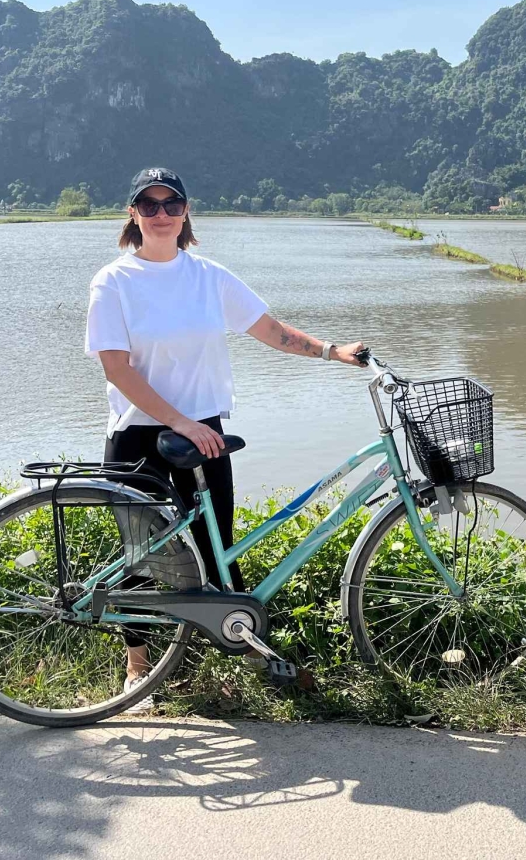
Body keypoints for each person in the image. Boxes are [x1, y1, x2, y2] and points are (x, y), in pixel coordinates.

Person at [85, 166, 365, 710]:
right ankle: (138, 668)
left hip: (202, 435)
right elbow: (117, 370)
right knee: (144, 557)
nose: (161, 214)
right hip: (139, 435)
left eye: (171, 204)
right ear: (133, 214)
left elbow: (271, 331)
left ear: (186, 213)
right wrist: (181, 421)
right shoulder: (113, 282)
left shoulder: (208, 277)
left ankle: (244, 644)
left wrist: (333, 351)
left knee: (218, 545)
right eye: (150, 204)